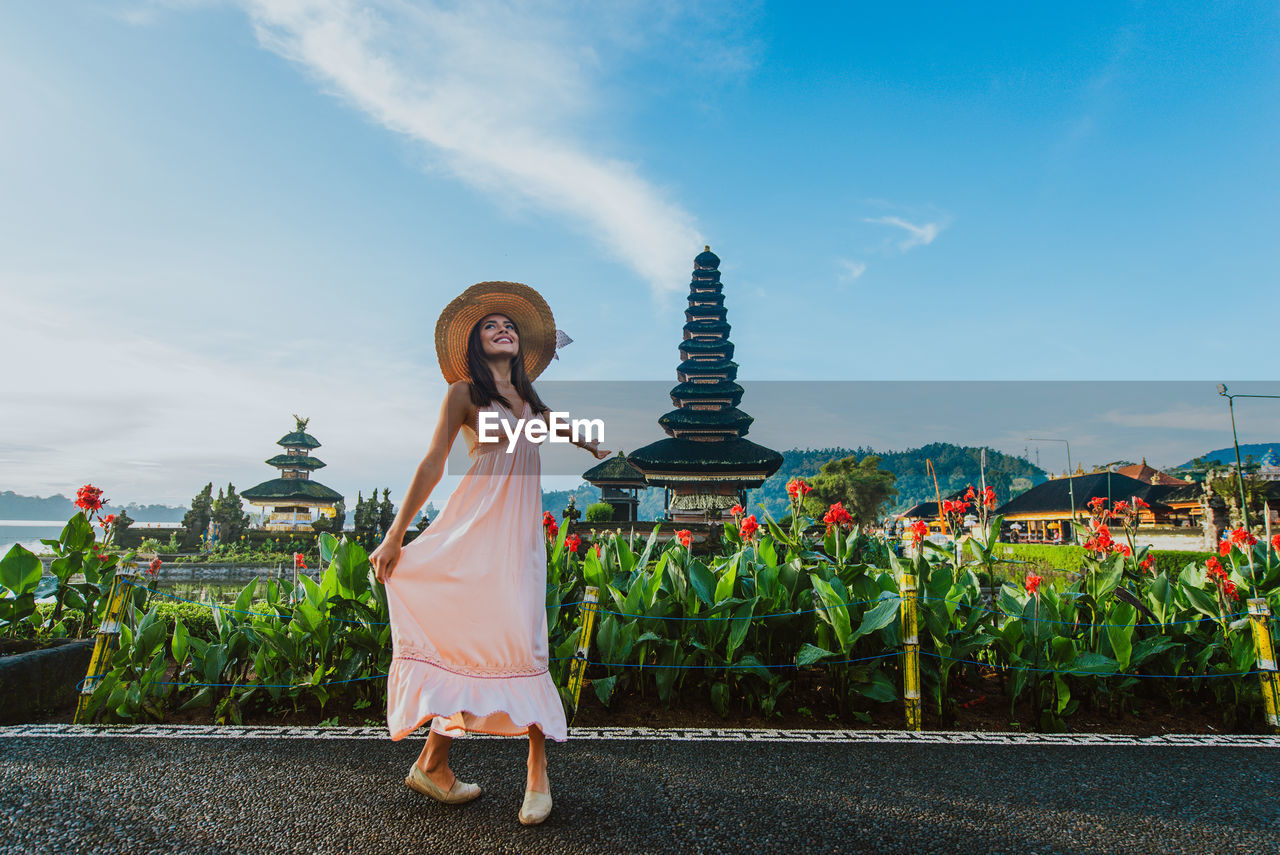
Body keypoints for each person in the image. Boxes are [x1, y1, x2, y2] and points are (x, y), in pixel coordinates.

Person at [368, 281, 608, 826]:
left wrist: (590, 444)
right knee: (477, 640)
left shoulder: (529, 401)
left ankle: (519, 772)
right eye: (490, 325)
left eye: (510, 325)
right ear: (476, 343)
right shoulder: (463, 394)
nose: (502, 329)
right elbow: (432, 462)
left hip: (517, 542)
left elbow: (556, 423)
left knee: (522, 640)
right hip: (473, 530)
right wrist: (394, 534)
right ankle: (435, 764)